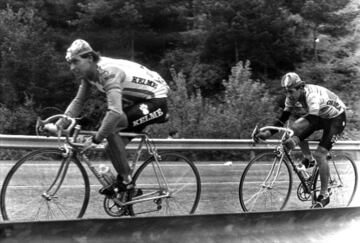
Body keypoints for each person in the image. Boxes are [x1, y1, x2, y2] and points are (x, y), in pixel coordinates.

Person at [58, 39, 170, 196]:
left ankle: (127, 183)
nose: (72, 67)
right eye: (70, 63)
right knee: (112, 145)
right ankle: (126, 186)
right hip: (139, 102)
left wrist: (95, 139)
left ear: (89, 57)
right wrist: (59, 125)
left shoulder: (108, 73)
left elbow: (115, 112)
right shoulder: (89, 74)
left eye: (75, 62)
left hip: (156, 101)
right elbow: (79, 101)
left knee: (109, 128)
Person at [254, 72, 346, 208]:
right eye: (286, 92)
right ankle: (308, 159)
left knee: (320, 154)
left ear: (300, 88)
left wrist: (296, 140)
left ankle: (324, 194)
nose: (289, 95)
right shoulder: (291, 97)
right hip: (321, 115)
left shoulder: (311, 95)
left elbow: (313, 124)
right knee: (295, 127)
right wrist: (267, 133)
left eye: (291, 91)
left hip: (336, 119)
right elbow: (283, 119)